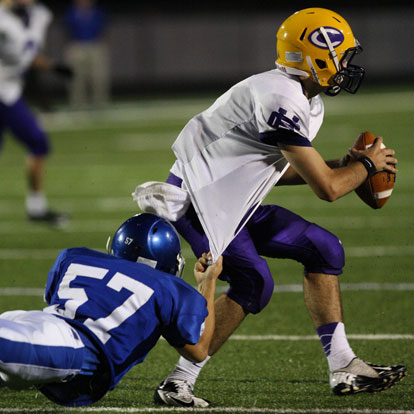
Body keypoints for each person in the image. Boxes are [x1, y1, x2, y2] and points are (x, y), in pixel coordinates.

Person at [132, 7, 407, 407]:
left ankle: (343, 364)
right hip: (199, 199)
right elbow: (327, 190)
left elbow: (277, 171)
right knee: (254, 283)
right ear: (317, 55)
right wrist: (364, 167)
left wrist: (339, 166)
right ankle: (177, 382)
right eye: (342, 55)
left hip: (232, 197)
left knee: (323, 247)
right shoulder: (281, 96)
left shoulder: (305, 101)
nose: (347, 64)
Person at [0, 213, 223, 406]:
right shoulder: (167, 286)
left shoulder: (74, 256)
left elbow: (53, 298)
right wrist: (208, 282)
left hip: (34, 321)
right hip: (71, 348)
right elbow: (199, 349)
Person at [0, 0, 72, 227]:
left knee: (38, 143)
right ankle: (36, 207)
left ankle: (36, 207)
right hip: (3, 94)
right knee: (38, 142)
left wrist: (49, 65)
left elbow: (27, 52)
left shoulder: (40, 15)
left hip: (9, 92)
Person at [63, 0, 110, 109]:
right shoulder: (71, 13)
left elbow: (104, 29)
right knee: (76, 79)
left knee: (99, 78)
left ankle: (100, 105)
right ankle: (77, 105)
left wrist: (104, 46)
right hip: (77, 46)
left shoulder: (98, 12)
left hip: (95, 45)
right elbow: (67, 31)